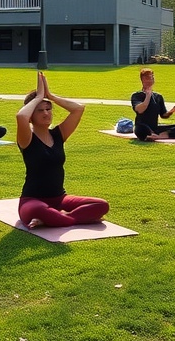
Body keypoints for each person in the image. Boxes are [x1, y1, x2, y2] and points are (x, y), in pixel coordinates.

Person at [16, 71, 109, 228]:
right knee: (39, 209)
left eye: (48, 109)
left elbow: (78, 109)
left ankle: (57, 218)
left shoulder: (59, 134)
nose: (46, 113)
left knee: (101, 205)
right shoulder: (27, 138)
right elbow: (20, 117)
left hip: (60, 199)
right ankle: (61, 217)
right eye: (40, 110)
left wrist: (50, 95)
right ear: (31, 115)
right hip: (32, 201)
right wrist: (38, 97)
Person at [130, 68, 175, 141]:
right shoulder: (136, 95)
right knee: (141, 129)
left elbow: (163, 115)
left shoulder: (158, 97)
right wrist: (148, 95)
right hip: (142, 127)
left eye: (151, 77)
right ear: (142, 80)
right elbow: (140, 110)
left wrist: (172, 111)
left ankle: (157, 136)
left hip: (154, 127)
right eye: (147, 78)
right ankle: (156, 135)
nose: (150, 80)